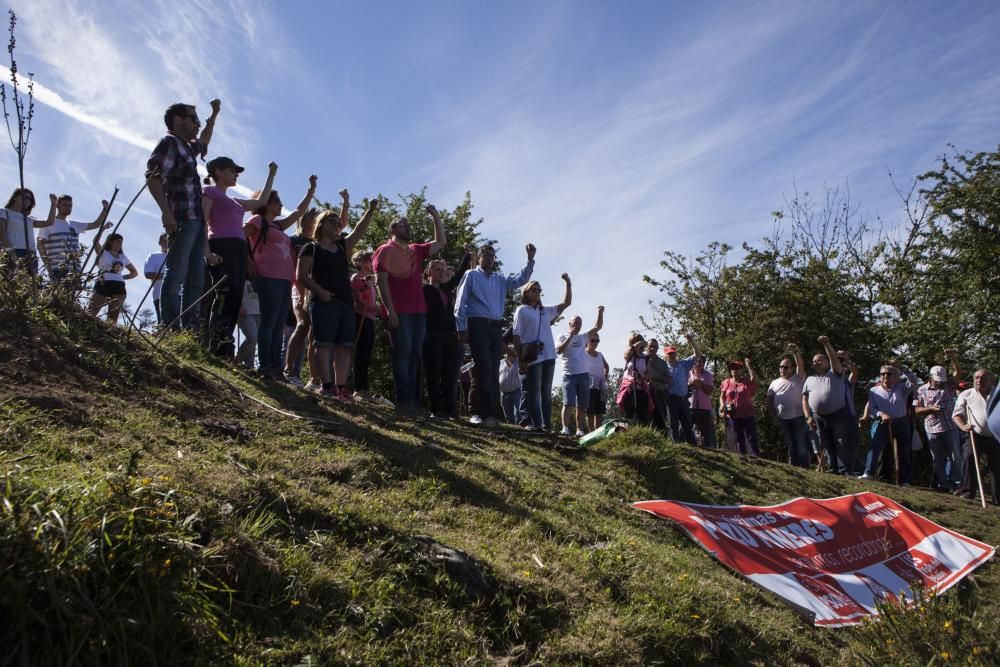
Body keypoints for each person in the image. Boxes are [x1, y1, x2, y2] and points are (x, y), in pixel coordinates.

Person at [145, 99, 221, 330]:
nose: (197, 124)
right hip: (181, 217)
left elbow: (204, 141)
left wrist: (213, 116)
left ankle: (189, 329)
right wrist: (166, 213)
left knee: (195, 278)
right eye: (193, 120)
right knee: (176, 273)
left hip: (197, 220)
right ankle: (169, 326)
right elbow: (153, 176)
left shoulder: (187, 147)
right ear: (177, 120)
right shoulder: (169, 142)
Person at [295, 196, 379, 399]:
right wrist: (320, 291)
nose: (337, 226)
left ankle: (341, 388)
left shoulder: (341, 247)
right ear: (322, 224)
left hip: (344, 302)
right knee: (323, 343)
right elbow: (301, 275)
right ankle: (327, 385)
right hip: (323, 301)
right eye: (333, 222)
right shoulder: (311, 247)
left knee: (344, 346)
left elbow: (358, 231)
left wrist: (370, 211)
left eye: (339, 224)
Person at [374, 206, 447, 415]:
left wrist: (436, 216)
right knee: (402, 354)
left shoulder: (415, 249)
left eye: (408, 224)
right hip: (400, 312)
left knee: (414, 356)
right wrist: (390, 311)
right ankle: (404, 401)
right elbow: (381, 282)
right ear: (392, 230)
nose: (406, 227)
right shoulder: (385, 250)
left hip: (418, 312)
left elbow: (440, 242)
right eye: (401, 224)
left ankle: (412, 402)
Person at [245, 175, 318, 380]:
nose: (281, 205)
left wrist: (311, 191)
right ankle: (265, 364)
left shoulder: (277, 226)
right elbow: (242, 236)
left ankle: (276, 367)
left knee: (278, 325)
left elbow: (298, 213)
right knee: (268, 322)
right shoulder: (257, 220)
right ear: (266, 201)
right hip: (268, 277)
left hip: (284, 280)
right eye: (277, 201)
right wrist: (248, 261)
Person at [454, 243, 536, 425]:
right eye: (487, 255)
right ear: (480, 256)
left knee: (492, 371)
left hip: (495, 328)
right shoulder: (471, 275)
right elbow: (461, 301)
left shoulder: (499, 278)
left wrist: (530, 260)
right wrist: (461, 327)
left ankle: (489, 414)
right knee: (482, 368)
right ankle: (475, 412)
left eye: (493, 256)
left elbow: (519, 280)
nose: (491, 259)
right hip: (478, 325)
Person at [202, 157, 277, 357]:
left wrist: (271, 175)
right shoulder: (210, 191)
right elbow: (203, 221)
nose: (236, 174)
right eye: (232, 170)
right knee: (224, 292)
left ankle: (226, 346)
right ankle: (216, 341)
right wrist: (207, 251)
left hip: (238, 248)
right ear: (218, 172)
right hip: (221, 244)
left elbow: (261, 201)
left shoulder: (235, 201)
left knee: (235, 294)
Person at [512, 275, 571, 432]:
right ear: (526, 292)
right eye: (534, 290)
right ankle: (536, 424)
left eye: (539, 290)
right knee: (534, 392)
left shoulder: (545, 311)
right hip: (533, 356)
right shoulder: (521, 310)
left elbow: (566, 303)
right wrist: (520, 359)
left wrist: (568, 284)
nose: (537, 292)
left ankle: (547, 425)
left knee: (546, 392)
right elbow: (516, 335)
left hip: (549, 356)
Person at [423, 245, 474, 418]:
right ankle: (436, 409)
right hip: (432, 335)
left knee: (449, 373)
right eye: (436, 270)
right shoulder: (424, 290)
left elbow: (459, 275)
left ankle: (450, 409)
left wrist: (466, 256)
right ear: (428, 272)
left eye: (442, 270)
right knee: (434, 371)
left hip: (450, 335)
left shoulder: (445, 289)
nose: (439, 272)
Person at [802, 335, 854, 475]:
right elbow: (804, 399)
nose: (816, 363)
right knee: (826, 443)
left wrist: (827, 344)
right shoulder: (809, 379)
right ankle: (833, 469)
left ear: (827, 362)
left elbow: (834, 359)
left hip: (837, 414)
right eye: (814, 361)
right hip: (818, 417)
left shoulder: (836, 373)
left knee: (841, 442)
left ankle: (845, 470)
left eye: (819, 360)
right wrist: (808, 416)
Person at [859, 364, 919, 485]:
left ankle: (904, 480)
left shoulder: (902, 388)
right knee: (875, 446)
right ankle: (868, 473)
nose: (885, 376)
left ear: (896, 377)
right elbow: (872, 408)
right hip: (884, 422)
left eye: (889, 373)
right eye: (882, 374)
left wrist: (904, 369)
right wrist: (881, 414)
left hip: (902, 422)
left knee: (904, 452)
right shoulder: (873, 390)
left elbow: (913, 381)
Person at [285, 204, 324, 386]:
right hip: (297, 287)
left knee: (312, 334)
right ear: (304, 219)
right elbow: (293, 269)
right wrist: (299, 292)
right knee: (302, 325)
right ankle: (287, 370)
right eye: (313, 217)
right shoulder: (294, 240)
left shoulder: (319, 245)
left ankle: (313, 379)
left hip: (315, 290)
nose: (316, 220)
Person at [914, 349, 963, 490]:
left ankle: (957, 484)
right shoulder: (921, 390)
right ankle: (943, 484)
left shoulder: (949, 385)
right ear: (931, 377)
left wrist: (953, 359)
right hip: (932, 428)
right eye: (937, 380)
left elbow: (958, 373)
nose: (939, 382)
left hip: (950, 426)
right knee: (937, 458)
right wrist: (930, 409)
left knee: (955, 457)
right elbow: (916, 409)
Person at [37, 194, 111, 284]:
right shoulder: (49, 223)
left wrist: (104, 210)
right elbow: (40, 245)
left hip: (75, 270)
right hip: (58, 268)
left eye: (70, 205)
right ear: (57, 206)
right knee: (59, 296)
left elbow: (96, 224)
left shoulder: (74, 224)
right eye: (64, 205)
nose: (68, 207)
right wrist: (48, 268)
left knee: (72, 297)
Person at [556, 306, 605, 436]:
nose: (577, 325)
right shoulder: (561, 336)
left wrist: (600, 312)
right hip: (569, 374)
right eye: (575, 323)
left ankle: (579, 429)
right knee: (568, 403)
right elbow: (559, 350)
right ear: (570, 324)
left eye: (580, 323)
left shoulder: (584, 336)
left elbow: (597, 326)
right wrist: (570, 336)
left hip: (583, 375)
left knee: (582, 405)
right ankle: (565, 428)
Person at [953, 369, 999, 504]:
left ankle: (998, 498)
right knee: (968, 457)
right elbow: (956, 415)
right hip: (974, 434)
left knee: (997, 466)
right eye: (977, 378)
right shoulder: (966, 394)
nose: (979, 381)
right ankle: (967, 491)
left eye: (983, 378)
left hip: (995, 436)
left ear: (992, 381)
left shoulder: (998, 394)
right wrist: (963, 426)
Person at [767, 343, 809, 467]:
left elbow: (801, 366)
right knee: (790, 446)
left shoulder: (798, 378)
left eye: (785, 367)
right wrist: (773, 416)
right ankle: (796, 469)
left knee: (800, 445)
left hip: (798, 418)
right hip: (782, 419)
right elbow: (769, 400)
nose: (782, 369)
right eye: (781, 367)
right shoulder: (774, 383)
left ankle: (805, 469)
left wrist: (796, 352)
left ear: (792, 368)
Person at [87, 228, 138, 323]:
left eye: (121, 243)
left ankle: (108, 335)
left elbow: (134, 272)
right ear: (110, 242)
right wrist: (103, 229)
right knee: (91, 312)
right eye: (118, 242)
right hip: (103, 283)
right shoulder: (103, 253)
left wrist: (124, 277)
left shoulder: (123, 257)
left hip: (119, 286)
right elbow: (95, 241)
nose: (120, 244)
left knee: (112, 318)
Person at [0, 189, 56, 275]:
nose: (27, 200)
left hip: (31, 255)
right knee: (13, 283)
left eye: (30, 199)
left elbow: (49, 222)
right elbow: (2, 234)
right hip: (14, 251)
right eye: (25, 197)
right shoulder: (4, 212)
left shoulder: (28, 219)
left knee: (29, 286)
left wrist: (53, 204)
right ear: (15, 197)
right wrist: (10, 252)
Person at [617, 333, 664, 428]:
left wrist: (641, 376)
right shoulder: (629, 355)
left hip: (641, 388)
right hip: (629, 388)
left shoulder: (646, 358)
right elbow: (627, 354)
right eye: (635, 341)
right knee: (629, 413)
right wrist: (638, 344)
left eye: (640, 340)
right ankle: (627, 435)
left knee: (642, 414)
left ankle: (641, 435)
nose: (639, 344)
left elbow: (649, 375)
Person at [350, 249, 378, 401]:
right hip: (360, 317)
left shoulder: (370, 279)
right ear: (360, 262)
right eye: (369, 260)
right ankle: (358, 388)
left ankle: (364, 388)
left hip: (370, 318)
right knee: (360, 353)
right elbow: (359, 300)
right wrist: (377, 309)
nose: (371, 262)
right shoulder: (358, 278)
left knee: (366, 354)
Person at [663, 337, 700, 443]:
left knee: (687, 424)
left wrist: (692, 341)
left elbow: (697, 355)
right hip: (671, 400)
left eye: (673, 353)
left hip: (683, 399)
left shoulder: (683, 364)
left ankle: (692, 446)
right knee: (673, 425)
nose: (672, 355)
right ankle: (676, 446)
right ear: (665, 355)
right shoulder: (664, 367)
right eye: (669, 354)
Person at [720, 359, 760, 458]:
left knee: (751, 436)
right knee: (738, 437)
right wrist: (722, 405)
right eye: (733, 368)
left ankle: (755, 456)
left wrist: (749, 367)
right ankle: (742, 456)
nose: (735, 370)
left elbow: (755, 382)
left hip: (747, 413)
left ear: (742, 370)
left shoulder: (745, 382)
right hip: (733, 414)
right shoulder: (726, 382)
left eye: (737, 368)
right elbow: (722, 396)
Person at [583, 332, 610, 432]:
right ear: (587, 341)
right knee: (590, 412)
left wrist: (605, 377)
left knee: (599, 412)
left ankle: (597, 434)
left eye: (597, 340)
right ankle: (591, 433)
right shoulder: (583, 353)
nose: (595, 343)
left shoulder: (600, 355)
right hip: (589, 386)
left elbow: (606, 367)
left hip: (600, 386)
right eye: (592, 340)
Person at [688, 355, 716, 448]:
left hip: (704, 408)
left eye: (700, 362)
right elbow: (684, 388)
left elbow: (709, 391)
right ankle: (688, 447)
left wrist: (701, 383)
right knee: (686, 429)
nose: (698, 363)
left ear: (704, 364)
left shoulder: (708, 375)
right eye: (696, 361)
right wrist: (692, 383)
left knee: (706, 434)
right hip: (690, 407)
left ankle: (710, 451)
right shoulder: (688, 373)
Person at [644, 340, 672, 429]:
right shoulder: (642, 360)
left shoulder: (662, 363)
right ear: (646, 347)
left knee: (661, 419)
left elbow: (669, 380)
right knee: (647, 419)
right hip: (646, 394)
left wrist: (654, 377)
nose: (652, 348)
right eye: (650, 346)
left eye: (655, 347)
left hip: (660, 394)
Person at [143, 234, 169, 323]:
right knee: (163, 322)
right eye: (165, 241)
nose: (167, 242)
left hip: (180, 294)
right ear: (160, 243)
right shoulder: (154, 256)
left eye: (169, 239)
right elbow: (148, 274)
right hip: (160, 294)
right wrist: (169, 275)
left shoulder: (179, 257)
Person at [236, 280, 260, 369]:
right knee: (252, 338)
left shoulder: (261, 276)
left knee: (253, 343)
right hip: (246, 312)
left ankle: (249, 368)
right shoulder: (242, 276)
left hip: (259, 313)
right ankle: (236, 361)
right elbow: (234, 290)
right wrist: (238, 306)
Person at [499, 345, 522, 424]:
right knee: (508, 415)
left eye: (511, 351)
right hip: (504, 392)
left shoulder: (519, 362)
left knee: (518, 413)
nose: (509, 354)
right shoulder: (501, 362)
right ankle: (512, 429)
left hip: (516, 391)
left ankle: (520, 428)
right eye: (508, 352)